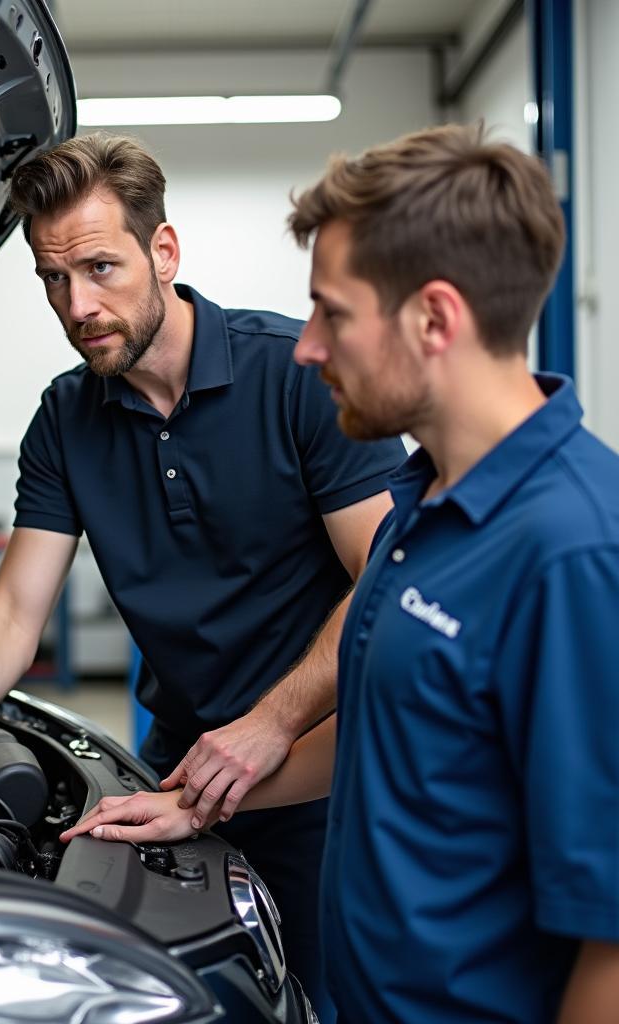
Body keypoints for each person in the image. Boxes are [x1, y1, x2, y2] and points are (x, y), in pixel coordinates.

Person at [0, 133, 404, 1020]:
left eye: (99, 267)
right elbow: (12, 618)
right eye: (54, 279)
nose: (78, 304)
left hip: (327, 777)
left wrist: (265, 727)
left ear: (162, 252)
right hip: (177, 782)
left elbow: (388, 582)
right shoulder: (65, 418)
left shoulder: (297, 379)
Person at [61, 123, 619, 1023]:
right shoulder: (419, 513)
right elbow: (382, 738)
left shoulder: (577, 555)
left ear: (434, 318)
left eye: (334, 313)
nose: (309, 346)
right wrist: (198, 807)